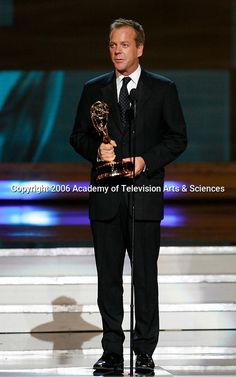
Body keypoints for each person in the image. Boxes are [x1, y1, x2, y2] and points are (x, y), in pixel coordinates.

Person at [70, 18, 187, 374]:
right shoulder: (94, 89)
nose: (117, 51)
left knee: (144, 279)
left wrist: (145, 161)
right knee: (108, 279)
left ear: (139, 48)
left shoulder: (162, 89)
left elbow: (177, 138)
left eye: (124, 44)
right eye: (112, 45)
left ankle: (145, 351)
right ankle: (112, 352)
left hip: (144, 196)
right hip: (106, 198)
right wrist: (97, 152)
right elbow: (78, 136)